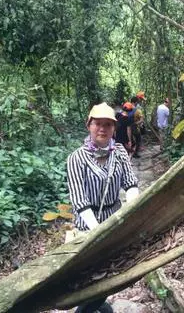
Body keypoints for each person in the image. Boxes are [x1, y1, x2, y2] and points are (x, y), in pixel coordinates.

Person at [67, 102, 139, 313]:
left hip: (114, 217)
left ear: (114, 128)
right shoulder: (76, 158)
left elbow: (130, 183)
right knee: (91, 275)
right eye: (98, 123)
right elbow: (80, 202)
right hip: (87, 225)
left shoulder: (119, 152)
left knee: (110, 274)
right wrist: (99, 233)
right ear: (89, 125)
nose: (103, 128)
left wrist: (134, 211)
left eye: (108, 124)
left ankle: (100, 308)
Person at [130, 93, 146, 158]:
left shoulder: (127, 107)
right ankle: (135, 153)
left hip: (128, 127)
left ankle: (131, 152)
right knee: (137, 140)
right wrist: (136, 124)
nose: (141, 101)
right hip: (135, 127)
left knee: (132, 140)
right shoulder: (137, 109)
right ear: (136, 101)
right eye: (141, 99)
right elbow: (141, 119)